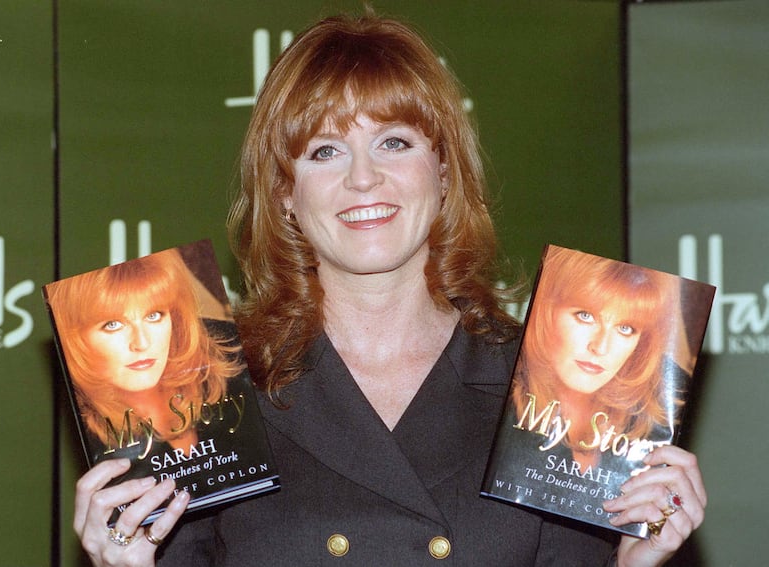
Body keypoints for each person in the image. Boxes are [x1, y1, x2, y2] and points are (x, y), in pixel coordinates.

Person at [73, 13, 706, 566]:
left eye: (394, 142)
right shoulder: (214, 394)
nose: (364, 178)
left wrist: (637, 564)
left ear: (444, 172)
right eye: (324, 151)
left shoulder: (541, 387)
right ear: (286, 194)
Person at [48, 246, 241, 456]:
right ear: (74, 339)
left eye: (154, 315)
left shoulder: (235, 360)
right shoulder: (67, 436)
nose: (141, 343)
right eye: (113, 324)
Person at [510, 246, 685, 470]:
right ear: (545, 311)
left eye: (625, 328)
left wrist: (672, 505)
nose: (601, 347)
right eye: (585, 316)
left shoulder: (661, 421)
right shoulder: (494, 405)